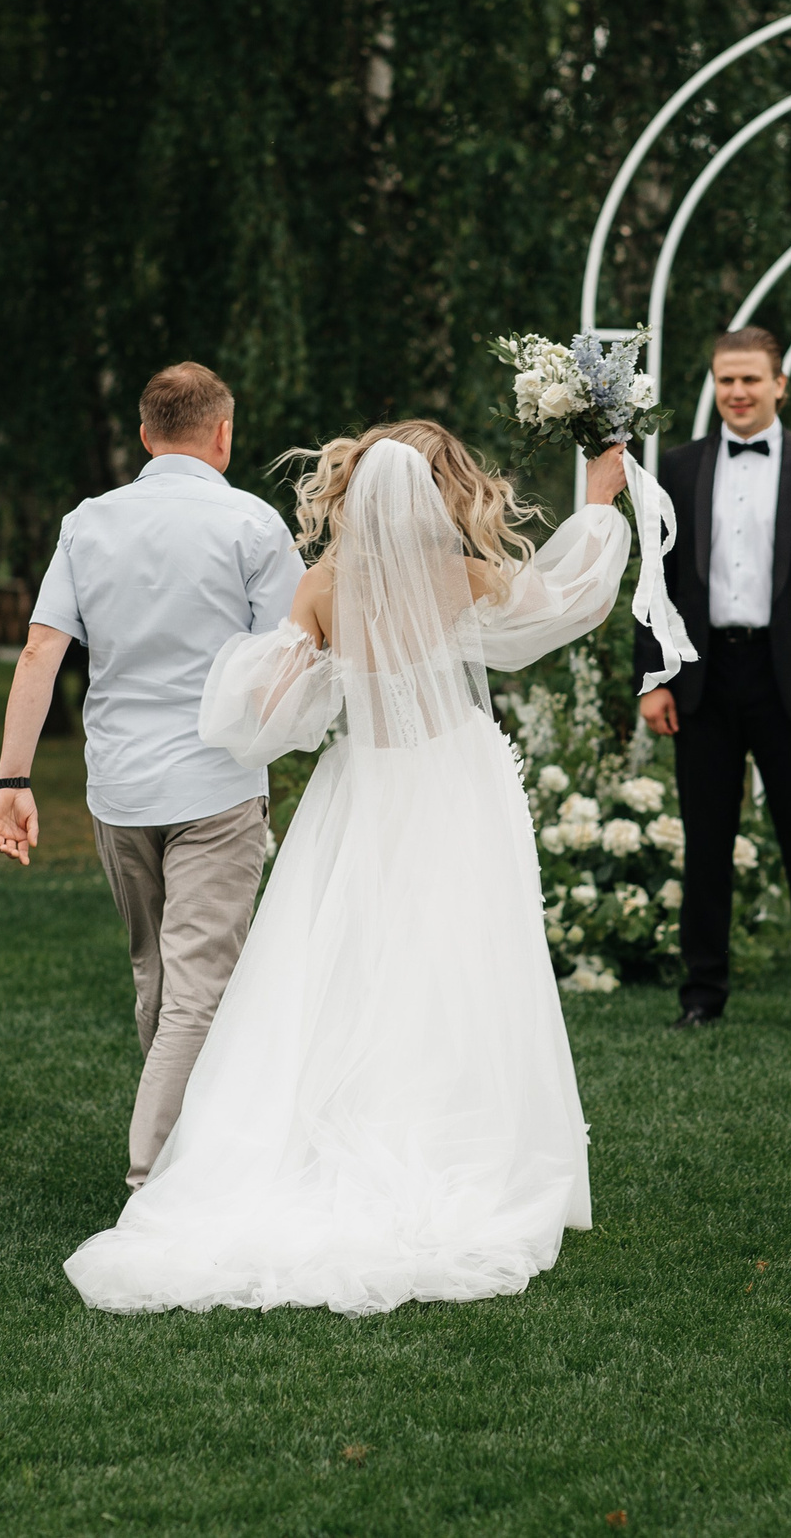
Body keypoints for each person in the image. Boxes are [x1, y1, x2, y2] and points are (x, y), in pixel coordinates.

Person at [61, 426, 631, 1315]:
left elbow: (269, 708)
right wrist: (599, 504)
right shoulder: (467, 576)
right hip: (455, 783)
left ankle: (317, 1140)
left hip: (359, 786)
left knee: (345, 965)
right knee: (461, 961)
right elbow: (569, 602)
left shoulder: (323, 585)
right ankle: (458, 1139)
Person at [0, 363, 306, 1192]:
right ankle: (154, 1176)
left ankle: (189, 1144)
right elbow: (288, 658)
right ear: (224, 433)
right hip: (217, 782)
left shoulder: (89, 522)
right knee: (198, 987)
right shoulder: (253, 523)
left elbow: (40, 651)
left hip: (120, 786)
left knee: (157, 976)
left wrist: (9, 781)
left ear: (144, 434)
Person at [632, 326, 791, 1033]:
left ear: (780, 385)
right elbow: (655, 580)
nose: (737, 393)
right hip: (700, 678)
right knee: (705, 841)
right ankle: (701, 996)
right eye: (725, 380)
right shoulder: (678, 469)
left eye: (750, 380)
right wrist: (652, 678)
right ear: (713, 384)